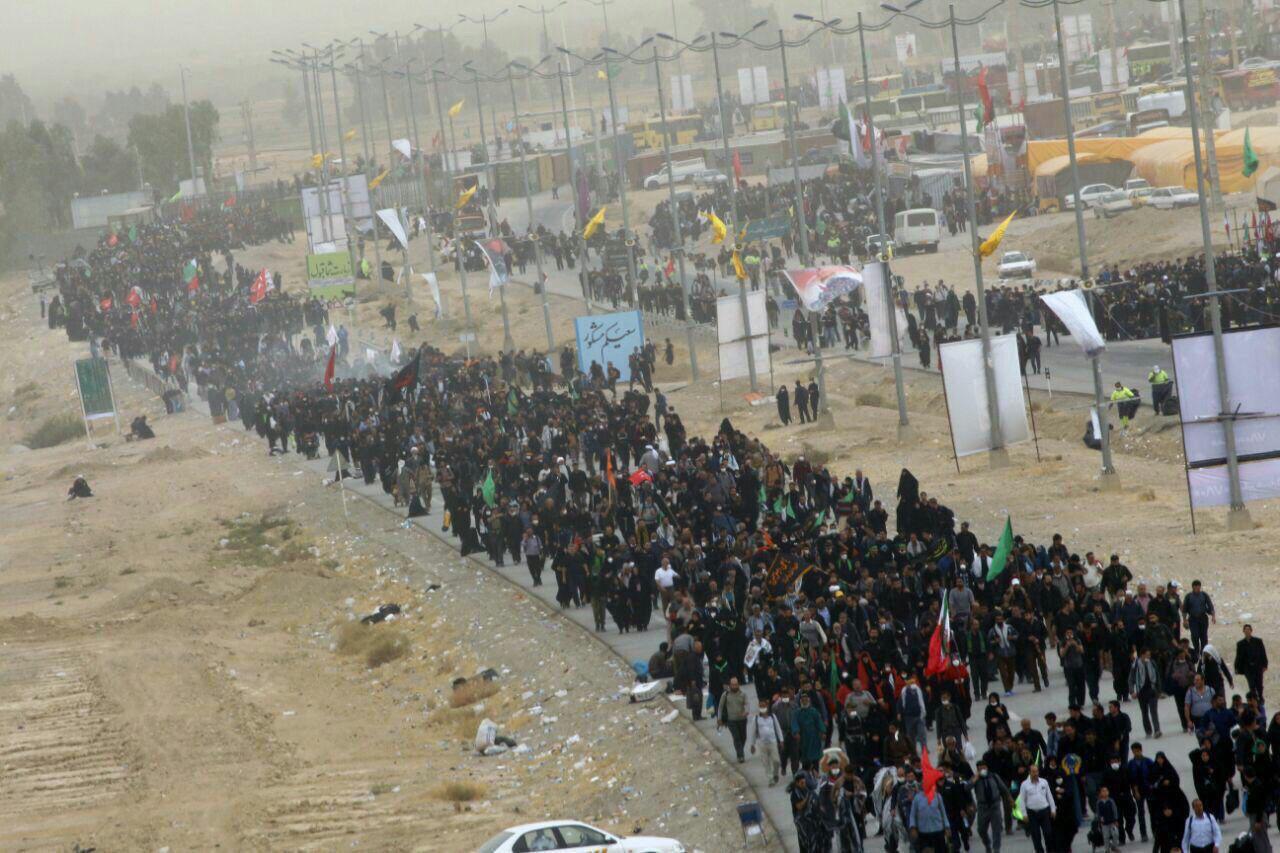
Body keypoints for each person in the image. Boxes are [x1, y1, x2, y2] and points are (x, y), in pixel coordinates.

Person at [971, 759, 1010, 853]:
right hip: (982, 807)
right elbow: (967, 788)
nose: (982, 770)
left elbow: (1003, 788)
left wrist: (1010, 798)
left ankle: (996, 849)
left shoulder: (994, 776)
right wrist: (975, 779)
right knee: (981, 829)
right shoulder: (975, 779)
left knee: (996, 829)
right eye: (980, 769)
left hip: (995, 806)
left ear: (987, 768)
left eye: (984, 768)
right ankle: (987, 843)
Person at [1017, 763, 1056, 853]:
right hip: (1032, 813)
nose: (1035, 774)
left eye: (1037, 771)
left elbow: (1049, 796)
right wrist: (1024, 814)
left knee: (1048, 833)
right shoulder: (1024, 785)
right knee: (1036, 835)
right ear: (1029, 773)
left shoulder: (1044, 782)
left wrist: (1053, 809)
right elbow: (1022, 800)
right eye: (1033, 772)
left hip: (1044, 811)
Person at [746, 698, 784, 785]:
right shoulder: (756, 719)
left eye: (764, 706)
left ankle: (775, 774)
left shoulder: (772, 717)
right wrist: (752, 745)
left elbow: (778, 729)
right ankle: (770, 779)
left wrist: (781, 740)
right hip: (762, 743)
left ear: (767, 706)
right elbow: (753, 733)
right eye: (760, 706)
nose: (762, 707)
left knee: (776, 760)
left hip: (773, 742)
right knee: (765, 762)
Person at [717, 676, 749, 763]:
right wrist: (719, 718)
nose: (734, 686)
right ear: (730, 685)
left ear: (738, 684)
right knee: (737, 738)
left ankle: (740, 750)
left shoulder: (743, 694)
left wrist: (746, 711)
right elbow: (720, 707)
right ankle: (740, 755)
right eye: (733, 685)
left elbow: (747, 704)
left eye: (736, 684)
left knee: (743, 737)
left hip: (742, 719)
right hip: (731, 721)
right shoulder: (725, 695)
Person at [1234, 624, 1268, 700]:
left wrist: (1265, 665)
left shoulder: (1258, 641)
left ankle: (1260, 696)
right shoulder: (1240, 644)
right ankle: (1254, 698)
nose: (1247, 631)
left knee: (1259, 683)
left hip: (1257, 666)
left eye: (1248, 629)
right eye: (1245, 629)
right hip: (1247, 668)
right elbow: (1238, 656)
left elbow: (1263, 653)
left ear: (1251, 631)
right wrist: (1236, 667)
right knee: (1251, 684)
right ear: (1243, 631)